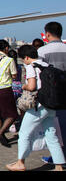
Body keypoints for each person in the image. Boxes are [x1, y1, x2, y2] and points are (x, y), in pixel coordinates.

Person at [6, 45, 65, 171]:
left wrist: (24, 86)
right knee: (51, 135)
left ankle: (20, 162)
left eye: (23, 59)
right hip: (51, 105)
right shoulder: (46, 65)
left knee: (24, 133)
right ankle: (59, 165)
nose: (23, 61)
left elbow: (32, 86)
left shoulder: (30, 67)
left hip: (38, 106)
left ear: (26, 57)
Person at [37, 22, 66, 166]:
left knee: (53, 128)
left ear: (47, 34)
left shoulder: (42, 51)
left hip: (51, 93)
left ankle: (59, 157)